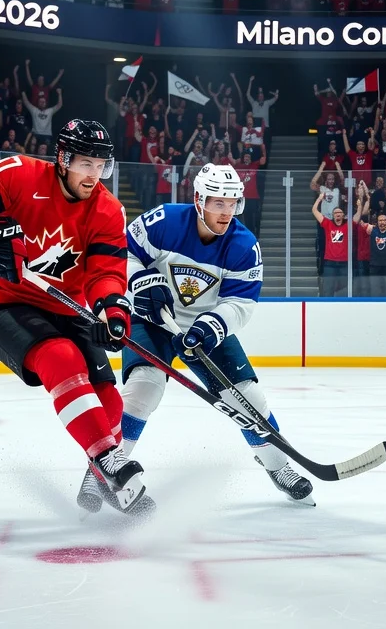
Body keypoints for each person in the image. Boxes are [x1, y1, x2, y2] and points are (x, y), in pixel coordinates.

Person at [0, 120, 147, 513]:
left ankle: (99, 470)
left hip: (67, 306)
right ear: (63, 160)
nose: (94, 174)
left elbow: (105, 271)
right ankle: (106, 458)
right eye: (86, 163)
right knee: (62, 358)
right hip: (2, 303)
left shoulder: (107, 209)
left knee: (109, 400)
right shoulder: (20, 174)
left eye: (101, 165)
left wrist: (113, 310)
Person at [100, 163, 313, 514]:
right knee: (144, 388)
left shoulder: (244, 245)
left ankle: (278, 466)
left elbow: (240, 303)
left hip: (205, 329)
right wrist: (139, 283)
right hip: (152, 320)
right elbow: (124, 256)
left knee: (248, 398)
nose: (226, 212)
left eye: (232, 203)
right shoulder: (164, 221)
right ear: (199, 200)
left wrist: (210, 326)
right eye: (218, 203)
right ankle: (104, 467)